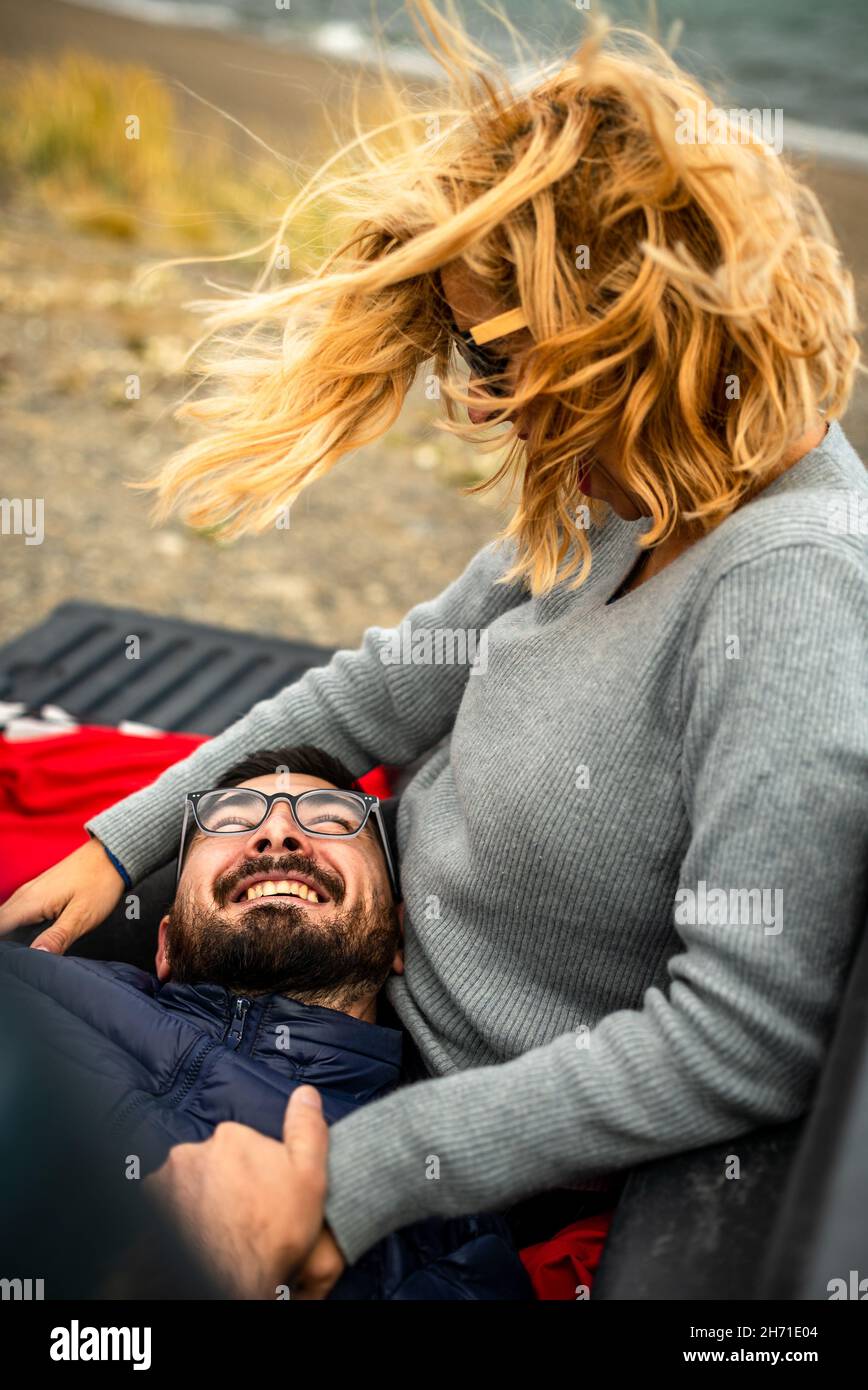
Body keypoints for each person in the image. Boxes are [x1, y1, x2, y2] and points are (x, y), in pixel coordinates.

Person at [1, 3, 866, 1298]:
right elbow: (371, 691)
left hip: (406, 1114)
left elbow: (741, 1037)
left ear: (639, 325)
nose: (473, 395)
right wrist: (125, 840)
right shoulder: (628, 485)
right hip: (340, 961)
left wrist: (360, 1177)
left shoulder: (791, 592)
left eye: (498, 350)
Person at [0, 745, 532, 1300]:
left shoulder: (435, 1209)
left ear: (399, 938)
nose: (277, 834)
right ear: (165, 943)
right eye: (232, 822)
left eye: (330, 819)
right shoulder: (28, 991)